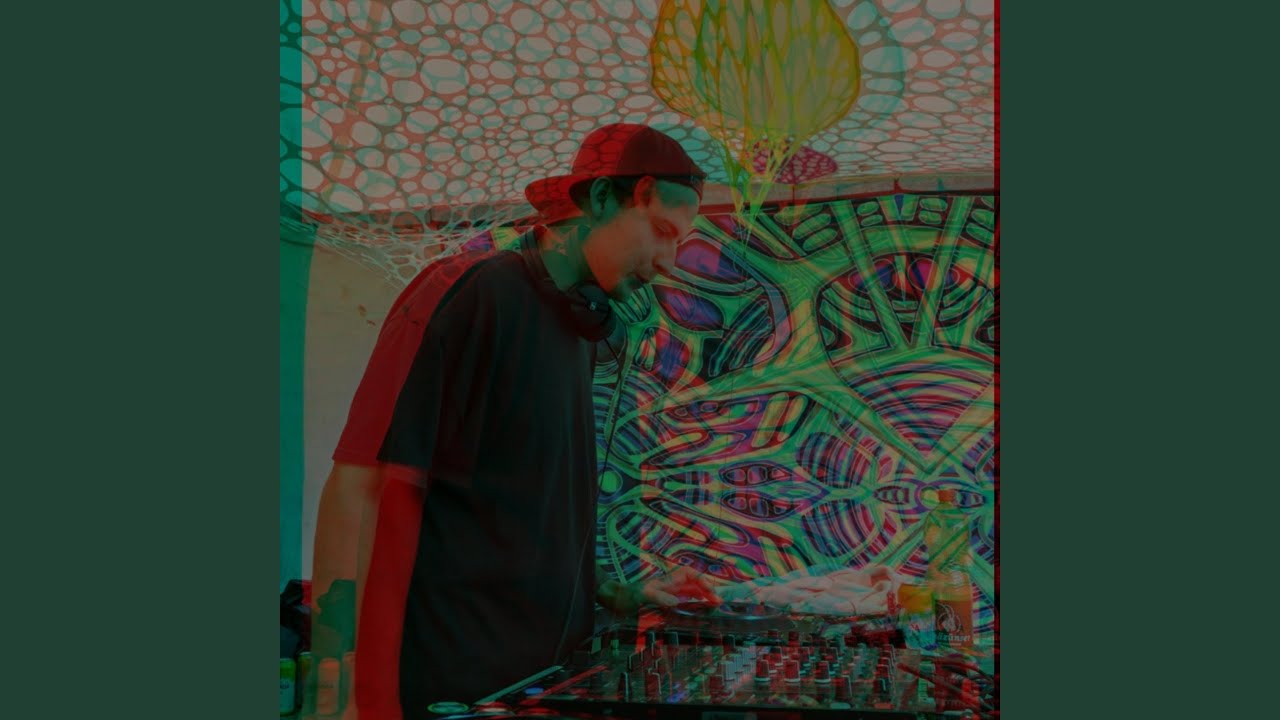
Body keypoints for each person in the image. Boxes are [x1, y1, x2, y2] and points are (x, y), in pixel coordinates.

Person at [310, 123, 724, 720]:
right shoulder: (468, 292)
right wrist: (339, 690)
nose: (667, 263)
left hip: (547, 681)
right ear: (601, 198)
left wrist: (620, 591)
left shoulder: (580, 330)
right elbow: (361, 486)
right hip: (456, 687)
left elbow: (522, 519)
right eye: (661, 231)